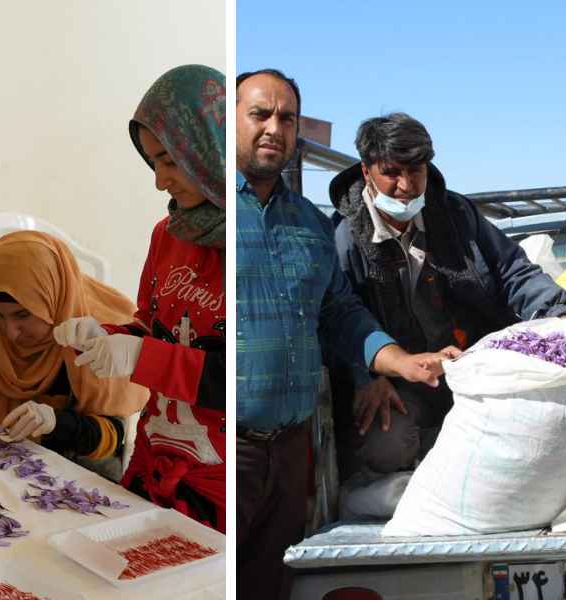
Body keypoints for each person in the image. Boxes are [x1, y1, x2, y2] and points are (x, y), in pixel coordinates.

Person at [231, 68, 451, 599]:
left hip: (289, 449)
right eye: (259, 114)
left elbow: (340, 315)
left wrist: (401, 362)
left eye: (286, 118)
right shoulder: (208, 217)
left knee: (267, 581)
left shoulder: (309, 224)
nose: (273, 129)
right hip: (224, 450)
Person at [325, 112, 566, 480]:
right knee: (387, 444)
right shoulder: (344, 240)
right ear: (367, 172)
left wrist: (557, 316)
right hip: (397, 381)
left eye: (417, 171)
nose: (407, 185)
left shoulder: (457, 216)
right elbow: (336, 316)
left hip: (473, 365)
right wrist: (366, 376)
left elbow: (513, 271)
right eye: (392, 172)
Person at [45, 64, 229, 529]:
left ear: (208, 150)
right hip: (154, 458)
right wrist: (104, 336)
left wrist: (141, 356)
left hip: (220, 484)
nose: (159, 180)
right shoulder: (166, 234)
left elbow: (240, 378)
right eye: (153, 162)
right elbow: (152, 327)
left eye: (170, 160)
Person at [0, 232, 147, 471]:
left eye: (22, 315)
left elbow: (111, 438)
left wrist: (56, 423)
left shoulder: (93, 334)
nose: (10, 332)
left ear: (52, 299)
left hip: (73, 469)